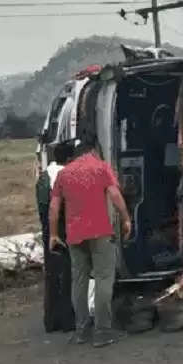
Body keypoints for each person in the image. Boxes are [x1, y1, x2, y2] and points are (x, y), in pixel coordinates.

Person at [49, 141, 132, 348]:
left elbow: (54, 206)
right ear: (93, 151)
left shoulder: (64, 174)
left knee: (79, 282)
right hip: (100, 232)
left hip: (75, 235)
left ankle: (82, 331)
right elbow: (114, 194)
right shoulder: (101, 167)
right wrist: (126, 218)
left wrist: (53, 234)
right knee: (104, 278)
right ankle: (103, 331)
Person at [36, 142, 75, 333]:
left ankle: (51, 321)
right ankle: (67, 321)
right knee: (67, 275)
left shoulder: (44, 176)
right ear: (69, 159)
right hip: (60, 230)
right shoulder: (63, 175)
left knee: (52, 275)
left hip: (47, 230)